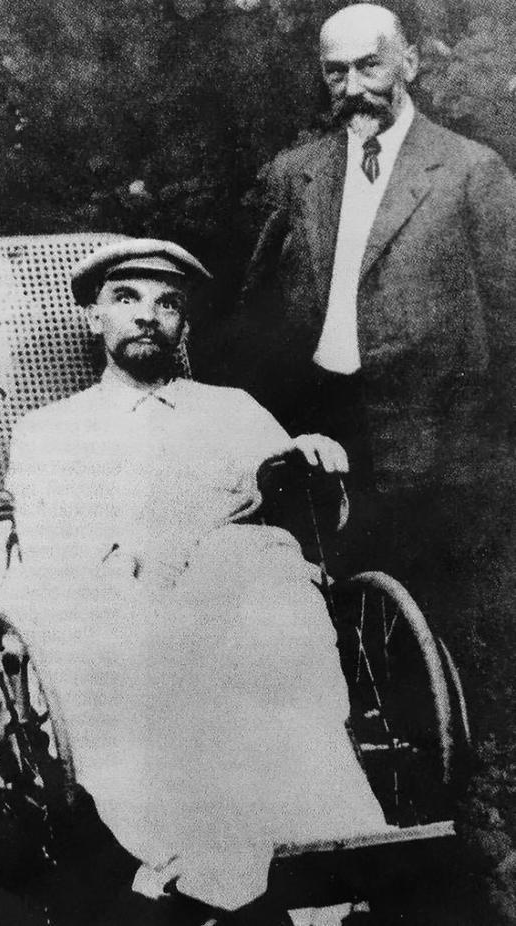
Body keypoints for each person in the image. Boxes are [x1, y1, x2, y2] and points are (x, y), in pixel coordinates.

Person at [0, 239, 389, 922]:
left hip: (242, 628)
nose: (147, 315)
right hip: (120, 628)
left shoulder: (232, 410)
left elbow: (303, 514)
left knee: (261, 560)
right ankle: (238, 864)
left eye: (168, 303)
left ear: (184, 326)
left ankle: (332, 854)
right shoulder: (49, 431)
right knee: (226, 583)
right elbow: (56, 561)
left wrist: (310, 457)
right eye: (126, 298)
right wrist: (164, 558)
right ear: (93, 317)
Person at [238, 4, 516, 705]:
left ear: (409, 64)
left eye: (370, 66)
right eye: (336, 72)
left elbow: (509, 314)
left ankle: (451, 745)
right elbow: (252, 306)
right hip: (325, 420)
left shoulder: (469, 171)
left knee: (439, 615)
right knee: (336, 599)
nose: (354, 87)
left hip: (438, 428)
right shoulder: (293, 174)